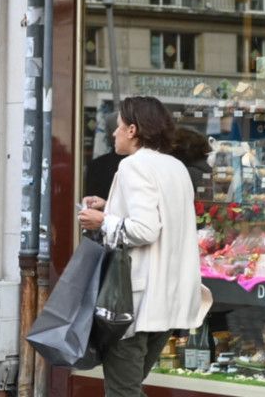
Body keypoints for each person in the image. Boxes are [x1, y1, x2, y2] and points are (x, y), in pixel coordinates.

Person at [77, 97, 211, 396]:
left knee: (122, 391)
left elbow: (145, 229)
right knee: (131, 388)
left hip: (135, 303)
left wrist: (102, 221)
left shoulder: (133, 166)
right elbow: (165, 217)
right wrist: (111, 206)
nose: (114, 133)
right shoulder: (175, 167)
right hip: (170, 300)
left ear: (133, 130)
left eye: (119, 127)